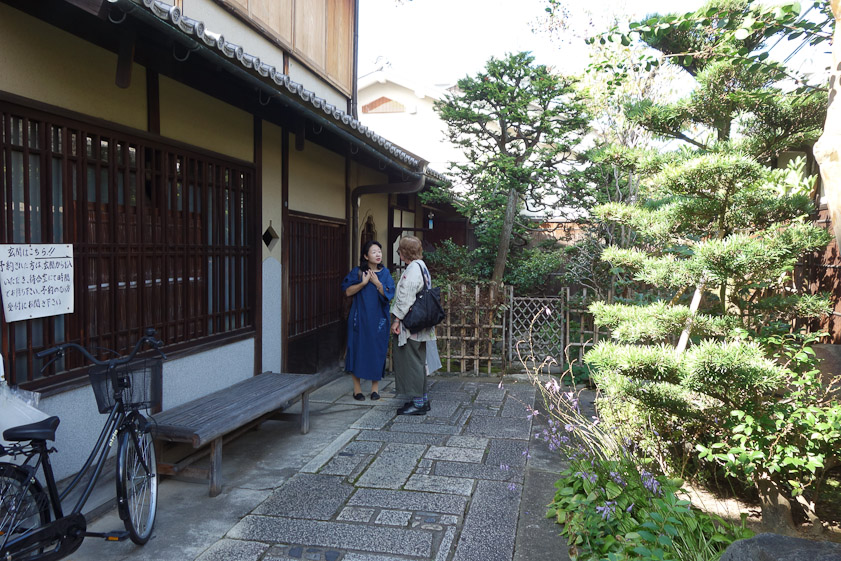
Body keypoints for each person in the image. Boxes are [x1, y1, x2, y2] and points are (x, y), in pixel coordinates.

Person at [341, 240, 395, 401]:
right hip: (359, 318)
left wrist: (377, 283)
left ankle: (374, 389)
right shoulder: (358, 272)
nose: (378, 254)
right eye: (374, 252)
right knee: (356, 349)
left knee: (377, 351)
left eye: (379, 251)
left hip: (379, 320)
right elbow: (348, 292)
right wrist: (364, 283)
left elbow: (389, 295)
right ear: (365, 256)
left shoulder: (385, 274)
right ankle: (357, 390)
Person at [390, 236, 436, 416]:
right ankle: (422, 400)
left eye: (400, 250)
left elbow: (405, 298)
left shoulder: (412, 270)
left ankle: (419, 404)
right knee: (418, 361)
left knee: (412, 362)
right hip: (421, 323)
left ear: (404, 253)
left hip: (411, 325)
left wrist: (396, 320)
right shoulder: (422, 266)